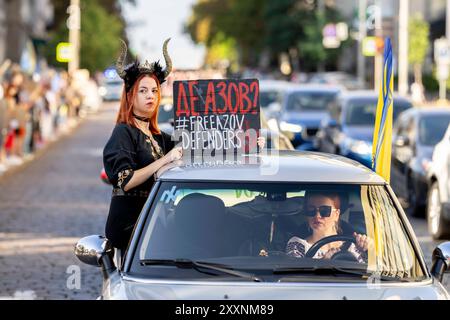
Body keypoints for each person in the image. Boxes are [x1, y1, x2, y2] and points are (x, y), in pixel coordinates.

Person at [103, 39, 183, 253]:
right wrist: (165, 160)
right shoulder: (123, 132)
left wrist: (246, 142)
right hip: (130, 229)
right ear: (130, 96)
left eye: (155, 91)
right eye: (143, 91)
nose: (150, 96)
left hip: (156, 227)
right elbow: (126, 181)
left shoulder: (159, 137)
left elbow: (201, 149)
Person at [286, 191, 372, 262]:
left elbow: (373, 275)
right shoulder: (297, 245)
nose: (317, 216)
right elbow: (293, 278)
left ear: (336, 214)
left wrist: (369, 249)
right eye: (311, 210)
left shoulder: (354, 246)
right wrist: (323, 263)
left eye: (324, 211)